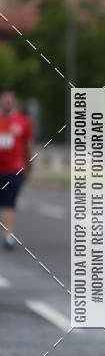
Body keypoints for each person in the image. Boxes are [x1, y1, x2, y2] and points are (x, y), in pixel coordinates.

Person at [0, 90, 33, 250]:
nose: (7, 103)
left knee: (10, 202)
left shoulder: (22, 121)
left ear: (14, 103)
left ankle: (8, 235)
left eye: (10, 101)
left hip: (13, 169)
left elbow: (27, 146)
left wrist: (28, 166)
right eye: (4, 100)